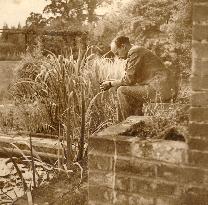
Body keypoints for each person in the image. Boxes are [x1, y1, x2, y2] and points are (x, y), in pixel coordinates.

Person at [100, 36, 176, 121]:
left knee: (122, 90)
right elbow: (131, 80)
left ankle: (127, 123)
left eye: (117, 53)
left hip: (159, 89)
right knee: (126, 90)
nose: (118, 57)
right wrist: (111, 82)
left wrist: (110, 83)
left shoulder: (134, 51)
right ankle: (135, 121)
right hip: (164, 88)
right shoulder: (136, 51)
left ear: (123, 46)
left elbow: (128, 80)